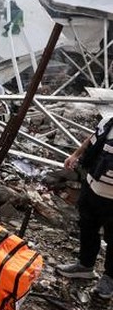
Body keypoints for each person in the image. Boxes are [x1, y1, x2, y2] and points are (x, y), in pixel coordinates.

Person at [59, 114, 113, 298]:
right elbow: (92, 138)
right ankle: (85, 265)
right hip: (92, 188)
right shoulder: (108, 121)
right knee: (87, 227)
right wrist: (75, 155)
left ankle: (109, 279)